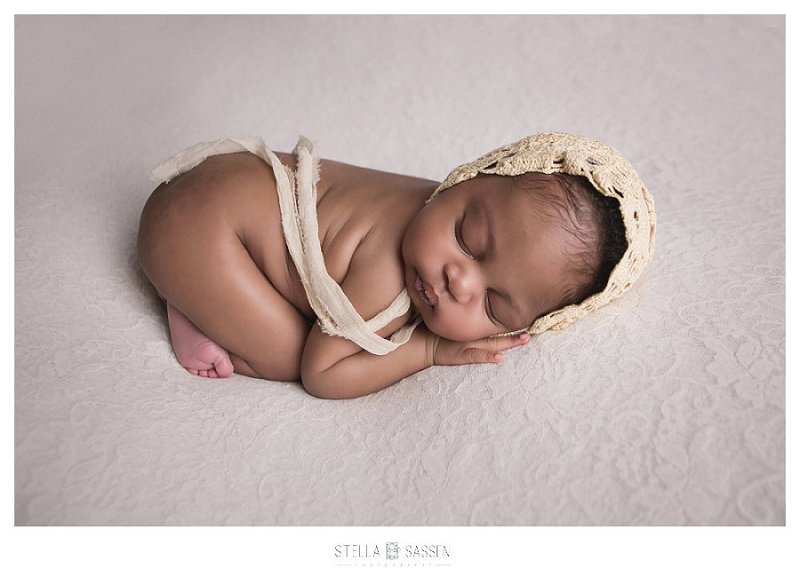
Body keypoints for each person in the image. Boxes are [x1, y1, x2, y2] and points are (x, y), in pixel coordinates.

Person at [137, 132, 655, 399]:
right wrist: (426, 349)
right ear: (468, 179)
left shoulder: (438, 198)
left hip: (214, 177)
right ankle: (187, 300)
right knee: (288, 356)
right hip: (193, 234)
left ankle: (199, 287)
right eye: (468, 239)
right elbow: (323, 374)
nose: (459, 279)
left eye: (494, 304)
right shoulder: (388, 284)